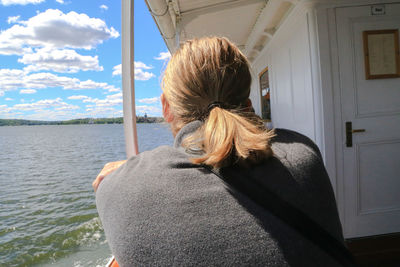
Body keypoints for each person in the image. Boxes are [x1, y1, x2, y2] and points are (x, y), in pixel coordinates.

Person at [94, 37, 348, 266]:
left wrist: (124, 174)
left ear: (166, 107)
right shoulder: (303, 152)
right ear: (248, 106)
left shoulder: (120, 185)